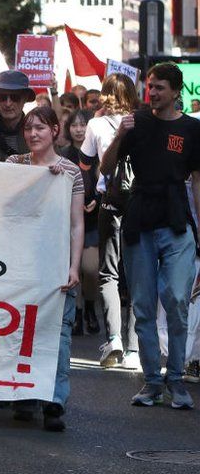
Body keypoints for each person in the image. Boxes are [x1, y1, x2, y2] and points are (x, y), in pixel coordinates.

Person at [100, 62, 200, 410]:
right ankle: (152, 382)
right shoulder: (137, 122)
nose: (152, 93)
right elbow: (105, 167)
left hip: (176, 222)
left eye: (159, 88)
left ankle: (177, 379)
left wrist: (199, 231)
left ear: (175, 91)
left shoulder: (192, 129)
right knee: (142, 305)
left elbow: (198, 184)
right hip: (140, 219)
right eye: (150, 87)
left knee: (175, 299)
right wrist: (119, 135)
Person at [6, 106, 84, 431]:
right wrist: (35, 181)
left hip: (55, 266)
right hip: (21, 265)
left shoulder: (70, 172)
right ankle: (24, 397)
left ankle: (54, 400)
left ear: (54, 130)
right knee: (21, 332)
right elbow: (3, 204)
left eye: (40, 128)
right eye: (28, 129)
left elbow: (76, 224)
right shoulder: (14, 165)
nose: (33, 134)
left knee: (58, 336)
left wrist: (74, 267)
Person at [79, 73, 140, 369]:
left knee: (109, 274)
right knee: (139, 275)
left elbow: (85, 163)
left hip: (111, 203)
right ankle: (135, 350)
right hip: (141, 206)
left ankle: (113, 339)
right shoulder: (144, 122)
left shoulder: (95, 125)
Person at [61, 109, 102, 336]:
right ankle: (75, 314)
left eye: (83, 125)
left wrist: (96, 199)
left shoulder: (98, 153)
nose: (79, 129)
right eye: (75, 125)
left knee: (91, 269)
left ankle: (89, 307)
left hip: (93, 221)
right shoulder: (63, 154)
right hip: (66, 221)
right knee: (70, 270)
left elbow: (107, 182)